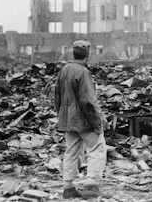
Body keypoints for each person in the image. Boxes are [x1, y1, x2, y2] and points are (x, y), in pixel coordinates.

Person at [55, 40, 110, 199]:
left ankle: (68, 187)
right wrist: (97, 122)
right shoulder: (83, 72)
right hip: (83, 119)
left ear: (74, 53)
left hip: (68, 120)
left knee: (72, 151)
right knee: (97, 149)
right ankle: (91, 185)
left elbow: (57, 96)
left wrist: (62, 115)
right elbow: (88, 101)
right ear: (88, 54)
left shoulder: (64, 70)